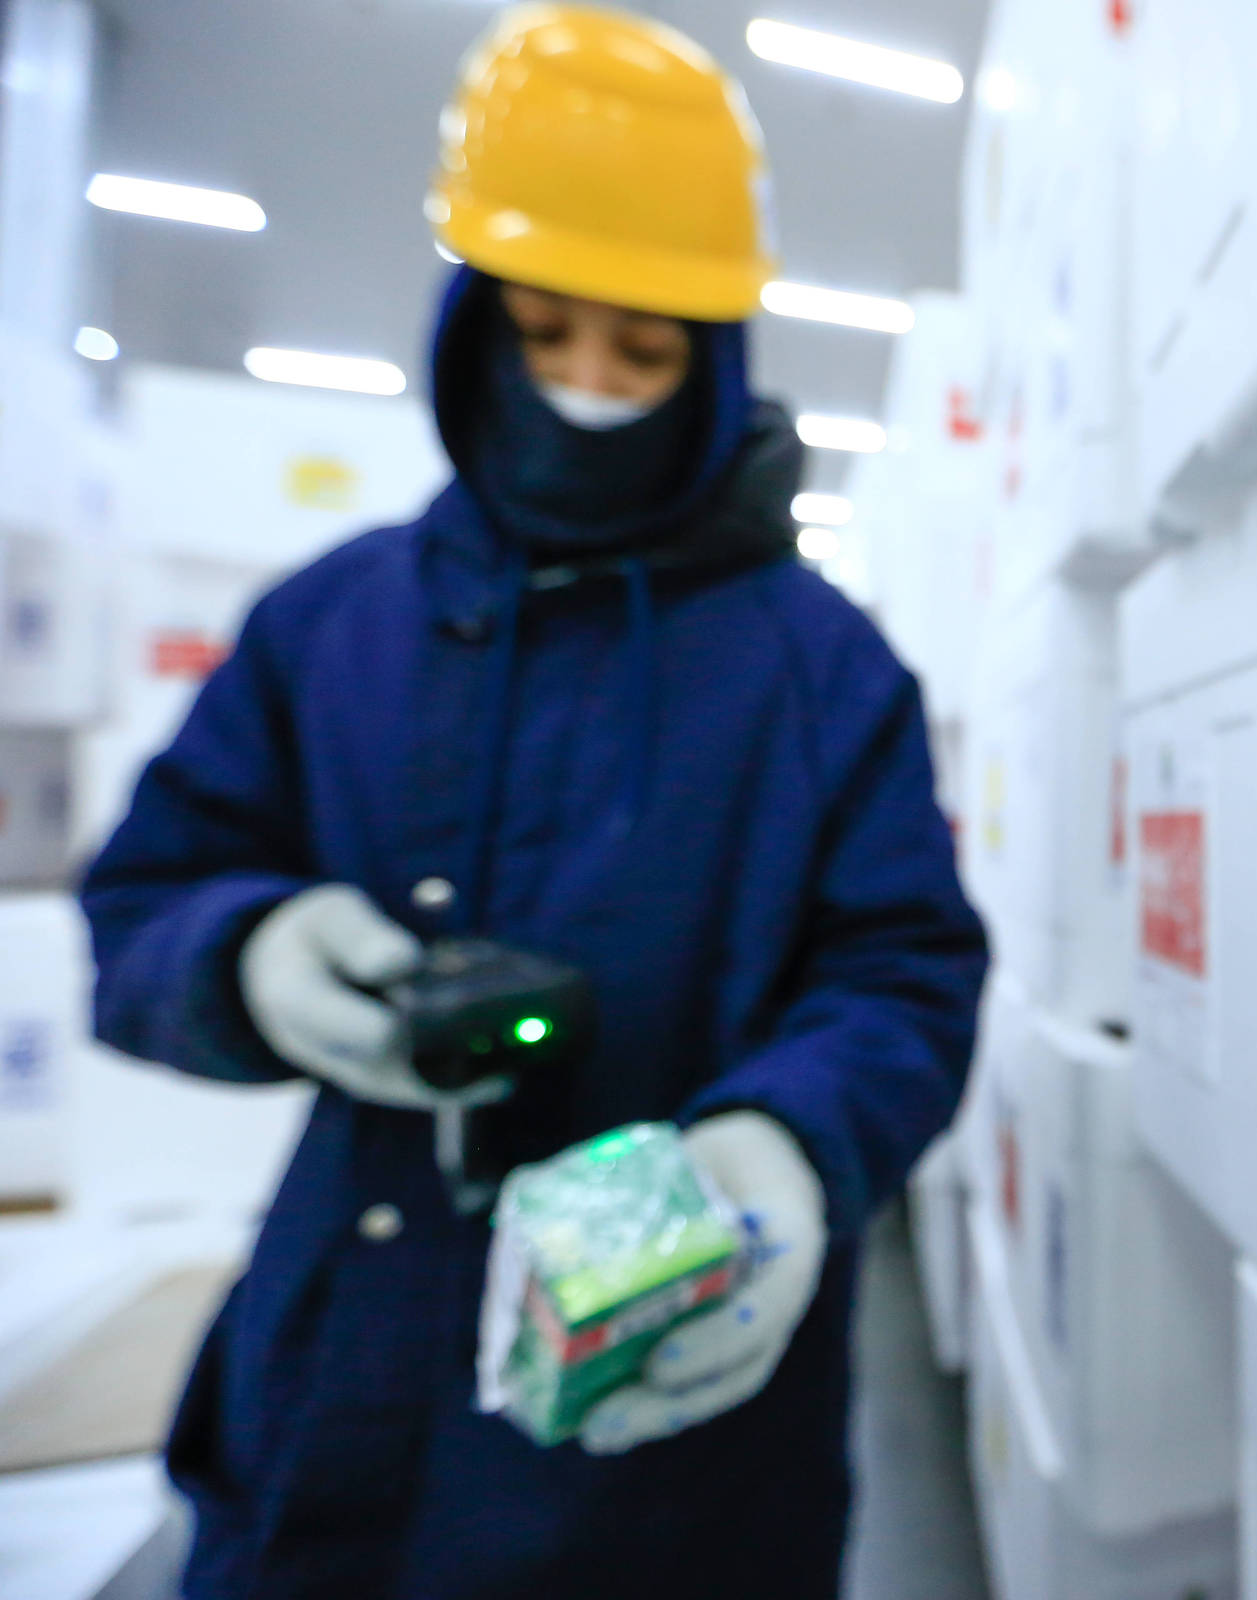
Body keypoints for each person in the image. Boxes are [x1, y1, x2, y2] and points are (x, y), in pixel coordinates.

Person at [77, 7, 986, 1595]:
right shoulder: (327, 626)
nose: (583, 383)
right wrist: (252, 953)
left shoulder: (822, 675)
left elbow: (904, 976)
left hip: (666, 1427)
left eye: (642, 352)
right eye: (544, 328)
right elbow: (145, 903)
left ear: (713, 363)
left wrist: (788, 1145)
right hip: (336, 1406)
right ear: (468, 323)